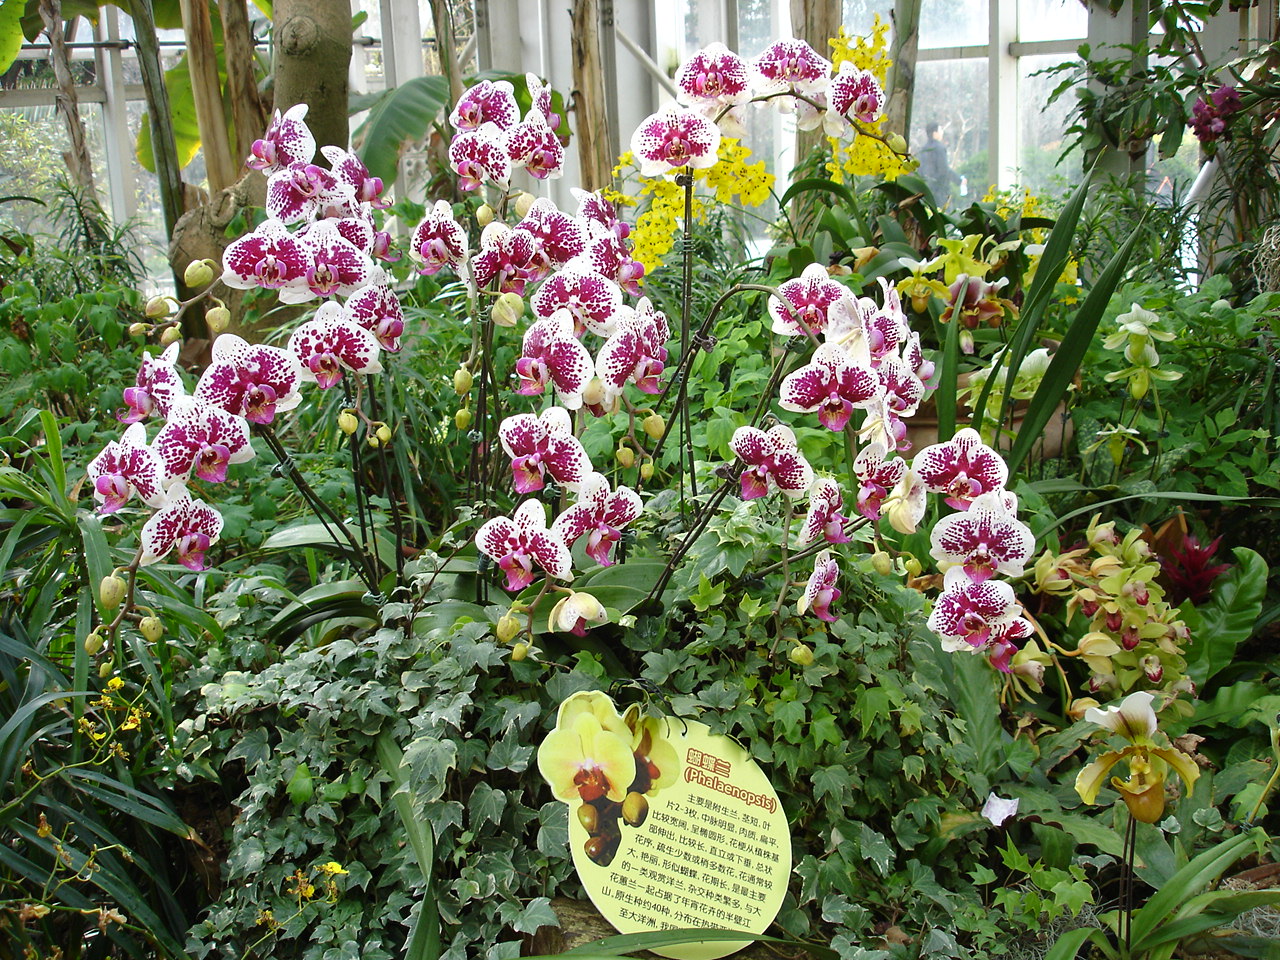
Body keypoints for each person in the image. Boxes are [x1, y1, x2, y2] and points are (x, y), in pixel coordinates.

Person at [917, 122, 964, 208]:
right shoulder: (939, 148)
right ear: (934, 133)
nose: (942, 133)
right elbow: (944, 170)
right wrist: (959, 180)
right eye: (940, 130)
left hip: (925, 190)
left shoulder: (923, 149)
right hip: (940, 190)